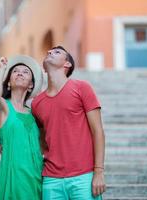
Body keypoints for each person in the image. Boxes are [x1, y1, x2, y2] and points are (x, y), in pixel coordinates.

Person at [31, 46, 106, 200]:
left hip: (84, 176)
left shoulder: (82, 88)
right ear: (44, 69)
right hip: (51, 180)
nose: (50, 52)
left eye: (57, 52)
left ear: (67, 64)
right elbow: (42, 140)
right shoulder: (36, 103)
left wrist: (98, 172)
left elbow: (97, 131)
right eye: (49, 52)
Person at [0, 51, 44, 200]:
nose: (20, 73)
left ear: (31, 84)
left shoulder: (35, 113)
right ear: (8, 82)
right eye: (15, 71)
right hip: (14, 177)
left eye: (25, 72)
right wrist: (1, 69)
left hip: (37, 176)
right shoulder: (4, 108)